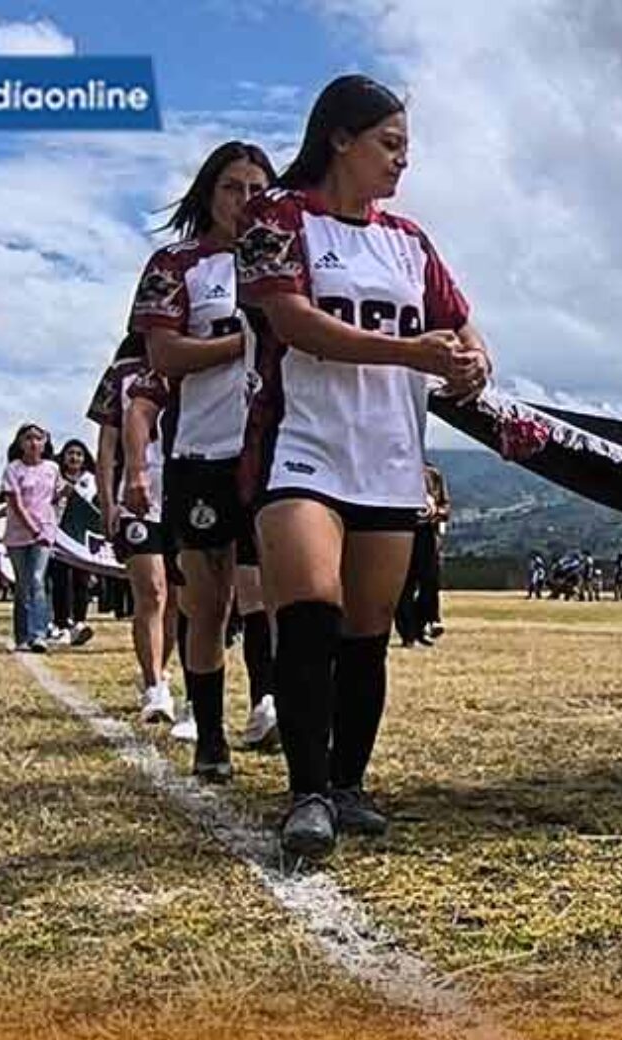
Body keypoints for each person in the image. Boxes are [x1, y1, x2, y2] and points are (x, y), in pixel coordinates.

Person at [237, 74, 489, 857]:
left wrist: (472, 363)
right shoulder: (276, 220)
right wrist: (410, 352)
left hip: (389, 455)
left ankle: (348, 783)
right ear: (339, 139)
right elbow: (295, 322)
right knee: (309, 606)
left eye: (407, 149)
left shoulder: (409, 241)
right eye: (389, 144)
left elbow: (464, 328)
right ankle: (305, 792)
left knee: (366, 632)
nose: (401, 162)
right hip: (303, 445)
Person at [131, 139, 278, 783]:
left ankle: (272, 708)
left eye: (257, 189)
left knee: (274, 594)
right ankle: (210, 734)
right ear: (208, 193)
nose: (246, 201)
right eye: (232, 188)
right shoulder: (177, 264)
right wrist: (233, 345)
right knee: (210, 601)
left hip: (279, 451)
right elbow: (162, 355)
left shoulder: (284, 259)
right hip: (202, 453)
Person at [90, 334, 182, 723]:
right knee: (152, 591)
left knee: (179, 597)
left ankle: (160, 668)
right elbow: (107, 446)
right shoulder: (120, 374)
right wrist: (108, 502)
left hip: (184, 486)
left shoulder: (189, 360)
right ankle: (153, 687)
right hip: (137, 495)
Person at [0, 424, 60, 652]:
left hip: (44, 533)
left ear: (45, 443)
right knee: (22, 584)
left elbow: (54, 498)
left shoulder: (52, 469)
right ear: (20, 443)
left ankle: (39, 634)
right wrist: (32, 527)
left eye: (38, 438)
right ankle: (22, 636)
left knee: (37, 580)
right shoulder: (13, 470)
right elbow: (14, 504)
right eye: (28, 438)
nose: (33, 443)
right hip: (18, 534)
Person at [48, 438, 99, 648]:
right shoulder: (54, 477)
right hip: (59, 536)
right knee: (60, 580)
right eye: (70, 453)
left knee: (81, 581)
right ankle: (61, 623)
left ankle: (79, 622)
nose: (74, 457)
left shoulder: (92, 480)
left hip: (83, 538)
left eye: (79, 454)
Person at [396, 461, 450, 646]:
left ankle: (422, 625)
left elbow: (446, 505)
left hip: (428, 535)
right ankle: (407, 634)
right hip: (403, 533)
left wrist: (437, 511)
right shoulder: (397, 470)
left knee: (430, 583)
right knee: (405, 586)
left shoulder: (433, 474)